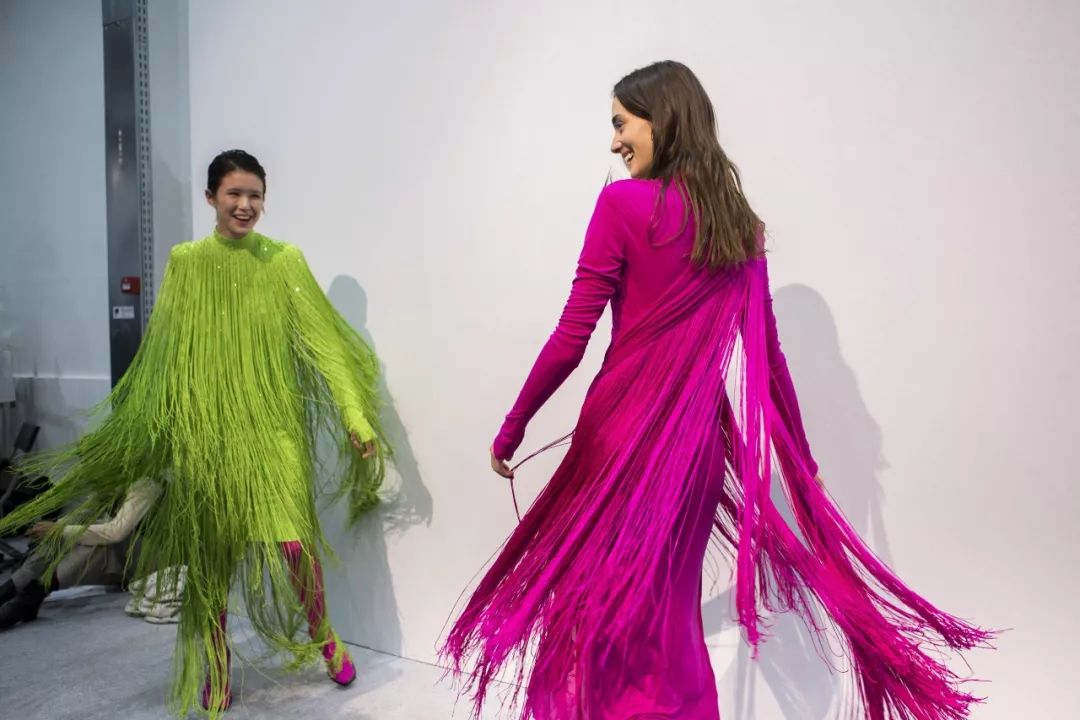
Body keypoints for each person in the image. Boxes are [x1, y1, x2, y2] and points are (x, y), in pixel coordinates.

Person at [441, 61, 992, 720]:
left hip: (618, 444)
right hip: (694, 454)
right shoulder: (737, 227)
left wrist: (512, 428)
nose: (614, 142)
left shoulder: (622, 206)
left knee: (595, 621)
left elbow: (572, 336)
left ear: (663, 118)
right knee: (669, 621)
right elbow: (770, 362)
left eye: (621, 123)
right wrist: (803, 461)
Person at [0, 150, 389, 716]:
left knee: (295, 549)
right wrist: (154, 430)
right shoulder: (186, 262)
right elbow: (164, 353)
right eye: (234, 194)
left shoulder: (285, 261)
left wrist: (355, 417)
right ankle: (216, 663)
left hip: (274, 433)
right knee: (211, 563)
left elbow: (326, 348)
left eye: (255, 195)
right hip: (209, 440)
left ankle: (325, 637)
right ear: (211, 198)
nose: (245, 205)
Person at [0, 478, 160, 629]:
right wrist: (52, 529)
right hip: (123, 560)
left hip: (149, 563)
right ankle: (14, 586)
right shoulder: (108, 480)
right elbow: (84, 514)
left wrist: (60, 530)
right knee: (63, 533)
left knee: (100, 542)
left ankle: (34, 594)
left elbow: (115, 532)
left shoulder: (145, 485)